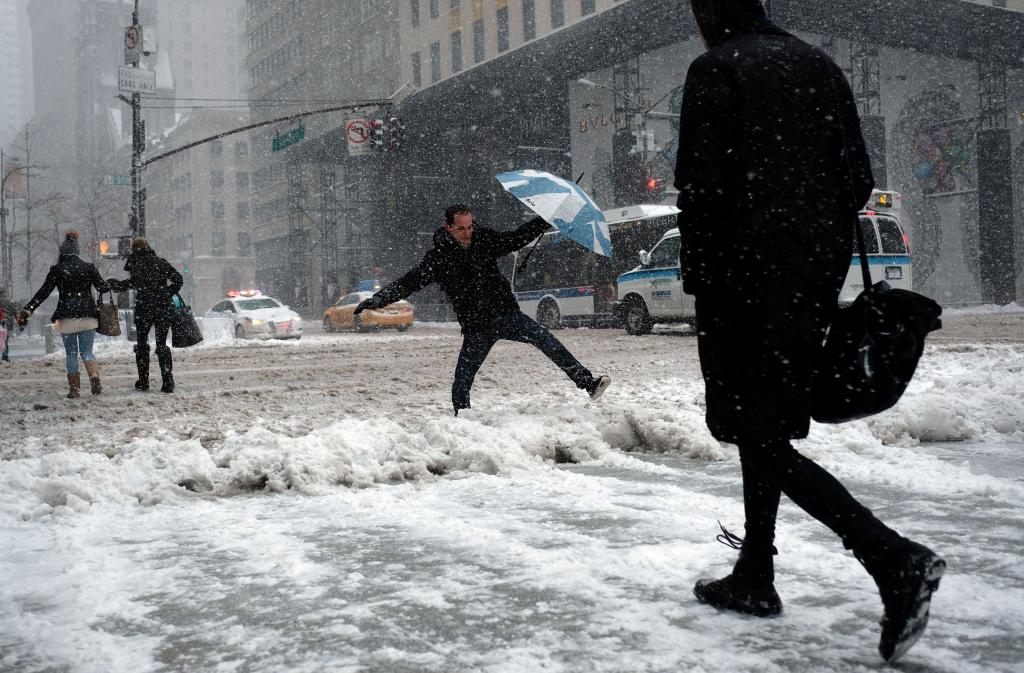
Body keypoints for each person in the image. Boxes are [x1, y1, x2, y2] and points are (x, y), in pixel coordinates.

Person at [674, 0, 944, 663]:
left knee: (753, 427)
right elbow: (859, 180)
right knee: (766, 421)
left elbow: (700, 190)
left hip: (741, 274)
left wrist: (702, 277)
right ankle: (756, 576)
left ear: (711, 12)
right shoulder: (819, 66)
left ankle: (892, 556)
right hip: (811, 273)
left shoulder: (715, 70)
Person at [354, 203, 611, 414]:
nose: (468, 233)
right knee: (462, 380)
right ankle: (463, 420)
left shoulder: (484, 239)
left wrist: (544, 220)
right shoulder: (438, 259)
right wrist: (378, 300)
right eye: (461, 229)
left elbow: (516, 239)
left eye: (470, 226)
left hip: (507, 314)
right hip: (476, 326)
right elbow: (408, 283)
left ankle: (588, 383)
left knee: (547, 341)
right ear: (448, 227)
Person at [16, 230, 108, 397]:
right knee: (87, 352)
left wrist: (28, 310)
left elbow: (43, 293)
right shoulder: (89, 268)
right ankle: (95, 378)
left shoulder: (57, 270)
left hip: (66, 318)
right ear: (77, 250)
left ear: (62, 251)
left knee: (71, 353)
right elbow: (103, 287)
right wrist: (112, 284)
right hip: (88, 316)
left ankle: (75, 389)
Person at [107, 238, 183, 393]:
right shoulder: (160, 262)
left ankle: (143, 381)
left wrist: (116, 285)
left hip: (144, 309)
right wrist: (167, 292)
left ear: (135, 250)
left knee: (142, 345)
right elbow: (178, 279)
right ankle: (167, 381)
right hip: (162, 308)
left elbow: (132, 283)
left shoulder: (136, 263)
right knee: (162, 344)